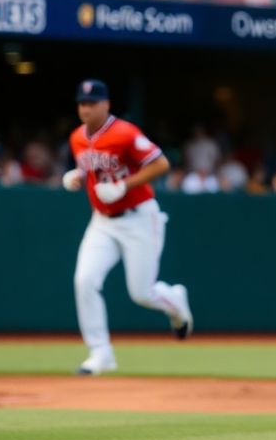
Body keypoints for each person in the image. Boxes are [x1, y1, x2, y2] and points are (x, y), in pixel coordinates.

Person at [63, 79, 192, 375]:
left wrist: (124, 185)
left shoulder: (124, 132)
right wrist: (77, 177)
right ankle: (100, 353)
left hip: (139, 218)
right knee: (84, 280)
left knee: (142, 293)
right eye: (82, 103)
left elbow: (160, 164)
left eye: (92, 102)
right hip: (102, 222)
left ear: (106, 104)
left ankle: (174, 301)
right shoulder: (77, 138)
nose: (86, 108)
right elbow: (91, 167)